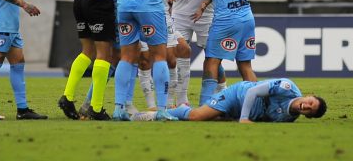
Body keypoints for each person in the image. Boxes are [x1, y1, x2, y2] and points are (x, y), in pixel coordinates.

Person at [132, 78, 327, 123]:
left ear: (307, 115)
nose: (307, 106)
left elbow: (263, 119)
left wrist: (237, 119)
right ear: (309, 95)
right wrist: (243, 118)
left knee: (211, 117)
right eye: (311, 102)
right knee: (196, 117)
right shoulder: (286, 87)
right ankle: (153, 114)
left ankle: (186, 107)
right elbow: (252, 93)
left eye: (310, 110)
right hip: (238, 95)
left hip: (240, 113)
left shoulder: (288, 119)